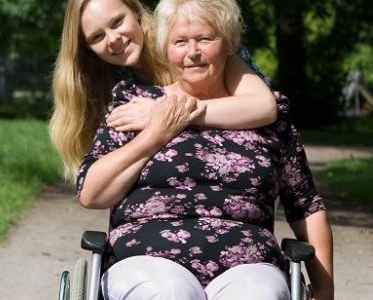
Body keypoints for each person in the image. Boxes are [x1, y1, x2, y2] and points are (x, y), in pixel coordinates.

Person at [76, 0, 334, 299]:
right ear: (165, 48)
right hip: (148, 258)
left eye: (205, 39)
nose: (192, 53)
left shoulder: (267, 116)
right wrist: (158, 130)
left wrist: (324, 290)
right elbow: (91, 192)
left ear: (230, 44)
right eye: (180, 42)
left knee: (260, 294)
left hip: (249, 265)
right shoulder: (135, 104)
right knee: (167, 292)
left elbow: (306, 207)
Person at [50, 0, 277, 182]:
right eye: (97, 37)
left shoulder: (190, 43)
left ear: (135, 11)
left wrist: (164, 113)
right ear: (87, 48)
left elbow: (263, 106)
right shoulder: (112, 86)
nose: (113, 39)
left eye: (118, 22)